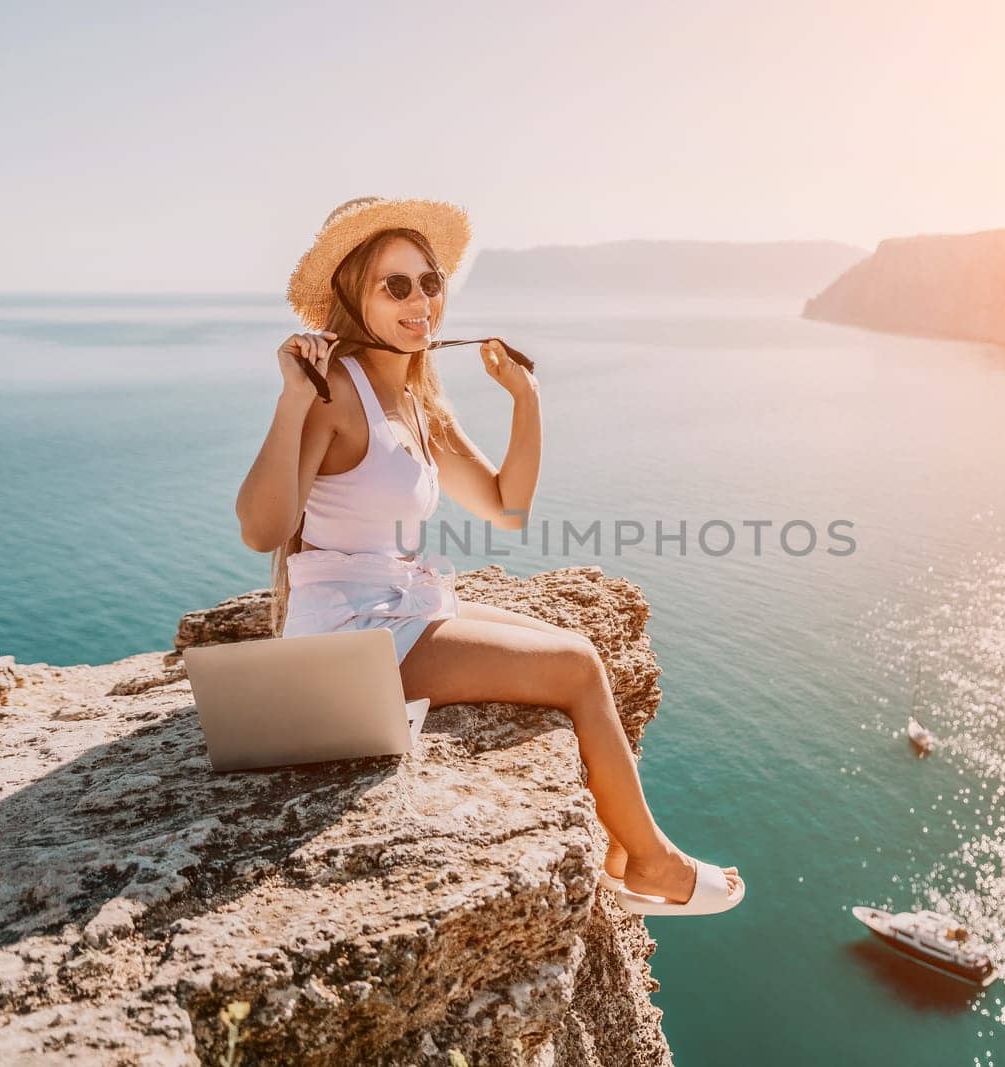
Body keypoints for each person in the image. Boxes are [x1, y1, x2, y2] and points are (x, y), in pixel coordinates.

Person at [235, 196, 742, 915]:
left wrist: (525, 397)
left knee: (576, 646)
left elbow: (506, 504)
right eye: (396, 285)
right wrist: (292, 400)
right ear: (354, 295)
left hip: (395, 605)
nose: (421, 302)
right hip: (347, 638)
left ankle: (620, 851)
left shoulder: (413, 401)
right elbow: (263, 529)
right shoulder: (332, 397)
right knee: (578, 669)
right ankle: (654, 864)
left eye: (430, 282)